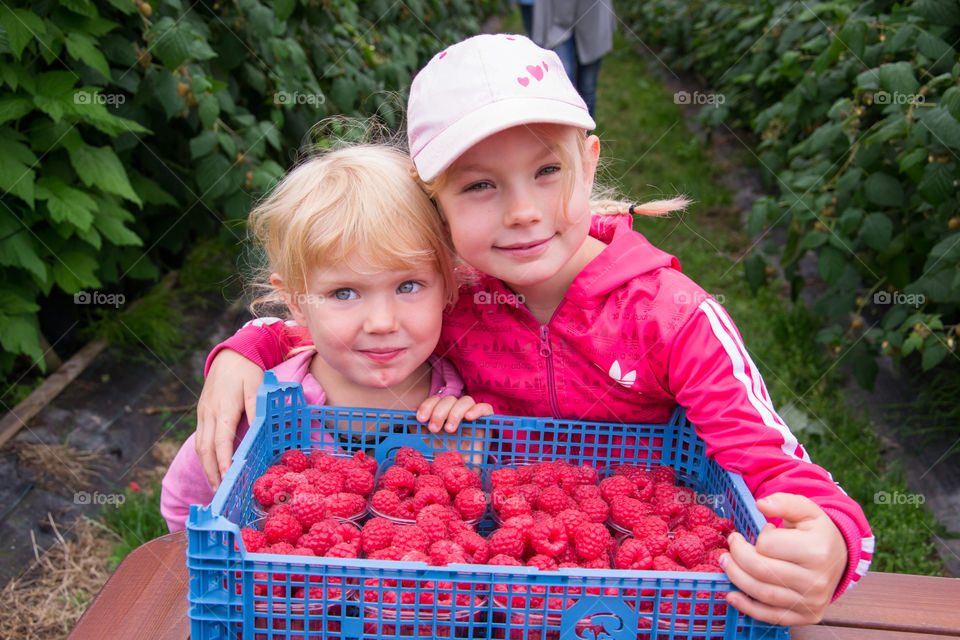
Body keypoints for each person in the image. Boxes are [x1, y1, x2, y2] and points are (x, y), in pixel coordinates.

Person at [192, 34, 873, 626]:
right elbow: (341, 325)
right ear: (438, 207)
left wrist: (834, 546)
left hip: (640, 591)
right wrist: (242, 351)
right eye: (480, 186)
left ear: (590, 161)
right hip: (491, 575)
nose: (522, 212)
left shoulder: (676, 322)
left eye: (547, 171)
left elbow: (781, 471)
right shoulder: (452, 293)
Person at [160, 144, 492, 532]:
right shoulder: (258, 408)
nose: (382, 322)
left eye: (408, 285)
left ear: (449, 285)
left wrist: (479, 452)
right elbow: (186, 504)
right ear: (296, 302)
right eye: (344, 294)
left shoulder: (464, 394)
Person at [532, 0, 615, 117]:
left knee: (588, 87)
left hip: (593, 17)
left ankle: (584, 132)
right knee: (562, 87)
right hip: (556, 17)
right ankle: (563, 131)